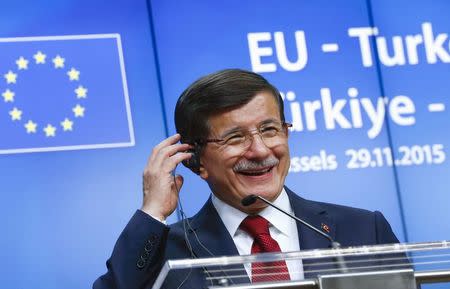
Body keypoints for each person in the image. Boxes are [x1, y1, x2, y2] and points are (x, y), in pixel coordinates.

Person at [93, 69, 400, 289]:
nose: (260, 150)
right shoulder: (165, 253)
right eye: (235, 138)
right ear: (196, 160)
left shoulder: (363, 230)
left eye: (269, 130)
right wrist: (152, 213)